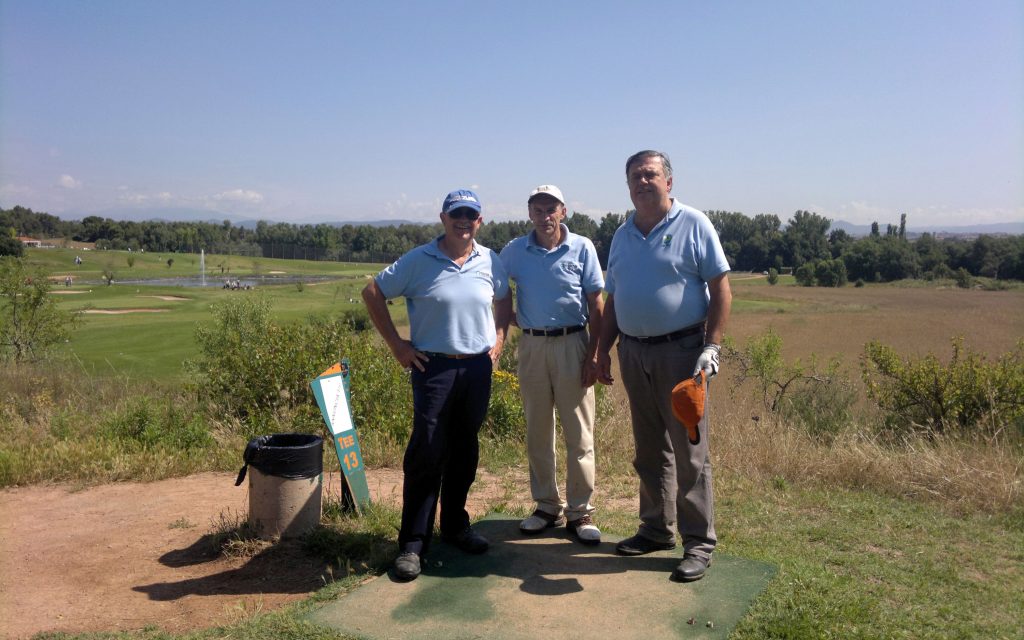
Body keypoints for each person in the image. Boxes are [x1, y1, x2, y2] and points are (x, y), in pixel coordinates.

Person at [596, 150, 732, 583]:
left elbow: (721, 287)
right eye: (634, 176)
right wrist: (602, 350)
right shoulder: (622, 235)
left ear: (668, 182)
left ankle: (699, 543)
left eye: (650, 174)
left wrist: (712, 346)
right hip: (634, 352)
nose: (642, 181)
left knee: (690, 453)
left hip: (682, 353)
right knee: (649, 449)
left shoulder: (694, 224)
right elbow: (614, 299)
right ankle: (656, 529)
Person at [362, 188, 510, 582]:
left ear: (479, 221)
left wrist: (499, 340)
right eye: (456, 214)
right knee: (427, 451)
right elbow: (373, 291)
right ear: (443, 218)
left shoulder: (489, 259)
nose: (463, 221)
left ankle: (456, 526)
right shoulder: (419, 260)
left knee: (465, 449)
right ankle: (413, 543)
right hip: (434, 368)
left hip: (476, 368)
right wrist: (397, 345)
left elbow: (504, 300)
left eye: (470, 215)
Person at [496, 185, 605, 544]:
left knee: (579, 433)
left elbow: (596, 303)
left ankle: (580, 510)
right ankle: (546, 506)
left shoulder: (582, 247)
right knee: (538, 430)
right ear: (530, 213)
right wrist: (512, 318)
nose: (545, 217)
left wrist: (594, 354)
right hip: (532, 346)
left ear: (563, 211)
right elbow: (493, 286)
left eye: (551, 209)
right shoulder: (515, 250)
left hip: (574, 343)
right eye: (538, 210)